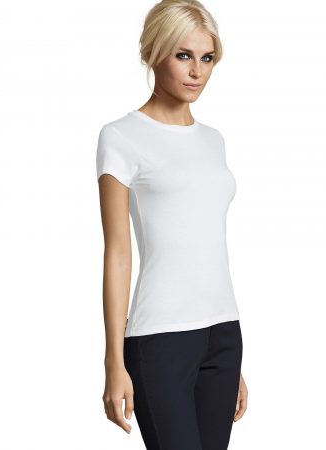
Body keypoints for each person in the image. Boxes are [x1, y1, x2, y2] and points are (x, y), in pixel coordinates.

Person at [96, 1, 248, 448]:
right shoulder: (121, 136)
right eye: (183, 55)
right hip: (159, 337)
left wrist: (233, 363)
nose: (197, 71)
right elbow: (117, 252)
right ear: (153, 53)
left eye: (207, 58)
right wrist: (114, 360)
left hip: (223, 333)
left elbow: (206, 243)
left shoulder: (213, 140)